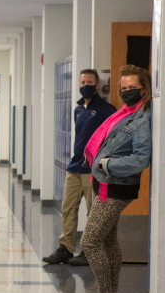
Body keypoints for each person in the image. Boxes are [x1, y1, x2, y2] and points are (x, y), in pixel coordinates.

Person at [81, 65, 153, 293]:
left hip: (116, 186)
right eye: (123, 88)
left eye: (132, 88)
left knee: (89, 241)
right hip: (104, 183)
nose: (127, 92)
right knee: (107, 241)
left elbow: (140, 159)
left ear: (144, 88)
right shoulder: (124, 115)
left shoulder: (142, 118)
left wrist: (106, 164)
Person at [43, 69, 117, 266]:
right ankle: (65, 248)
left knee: (93, 212)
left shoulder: (106, 109)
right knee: (68, 209)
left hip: (93, 170)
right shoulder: (77, 109)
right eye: (82, 82)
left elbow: (113, 139)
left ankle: (90, 250)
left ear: (97, 85)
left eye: (90, 82)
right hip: (74, 167)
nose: (86, 85)